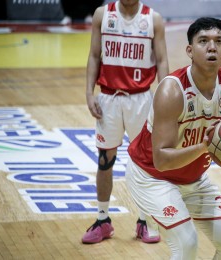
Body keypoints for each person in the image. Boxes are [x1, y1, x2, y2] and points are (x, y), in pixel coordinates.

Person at [126, 17, 221, 259]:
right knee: (186, 243)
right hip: (151, 177)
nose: (212, 47)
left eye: (218, 41)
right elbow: (161, 160)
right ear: (190, 50)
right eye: (203, 41)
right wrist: (206, 146)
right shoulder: (172, 90)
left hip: (194, 178)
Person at [83, 0, 169, 244]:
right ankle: (102, 221)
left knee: (145, 162)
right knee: (104, 160)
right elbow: (94, 55)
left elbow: (162, 61)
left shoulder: (153, 19)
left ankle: (144, 220)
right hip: (108, 98)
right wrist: (89, 94)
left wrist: (165, 97)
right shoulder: (102, 14)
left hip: (141, 100)